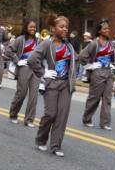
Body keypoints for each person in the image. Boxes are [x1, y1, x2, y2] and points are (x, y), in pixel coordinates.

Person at [28, 13, 77, 157]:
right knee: (50, 114)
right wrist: (43, 73)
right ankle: (41, 138)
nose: (65, 29)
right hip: (51, 84)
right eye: (61, 27)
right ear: (53, 28)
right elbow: (32, 59)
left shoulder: (68, 45)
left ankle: (56, 146)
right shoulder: (46, 44)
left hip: (65, 85)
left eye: (66, 27)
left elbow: (75, 60)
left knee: (61, 117)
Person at [79, 19, 115, 131]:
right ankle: (87, 119)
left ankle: (105, 123)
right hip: (97, 73)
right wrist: (90, 66)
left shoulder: (111, 43)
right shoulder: (94, 43)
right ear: (99, 31)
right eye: (105, 29)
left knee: (107, 99)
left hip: (108, 73)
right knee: (94, 98)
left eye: (108, 28)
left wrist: (112, 65)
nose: (107, 30)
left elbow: (114, 58)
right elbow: (81, 56)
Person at [5, 20, 41, 128]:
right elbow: (9, 50)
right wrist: (17, 61)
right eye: (30, 27)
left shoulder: (38, 40)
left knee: (34, 95)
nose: (33, 29)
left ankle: (29, 119)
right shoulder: (20, 39)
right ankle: (13, 114)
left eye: (34, 27)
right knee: (21, 93)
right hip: (24, 68)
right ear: (26, 27)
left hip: (35, 69)